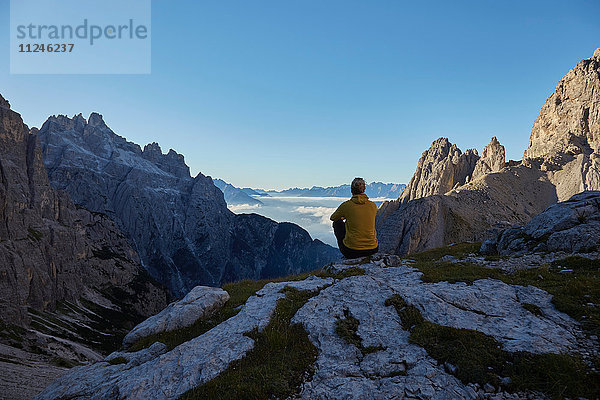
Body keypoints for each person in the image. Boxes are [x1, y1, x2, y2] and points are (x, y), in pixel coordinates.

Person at [330, 177, 378, 258]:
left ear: (351, 190)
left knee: (337, 223)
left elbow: (333, 218)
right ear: (364, 189)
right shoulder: (373, 205)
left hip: (352, 251)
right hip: (373, 249)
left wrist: (344, 216)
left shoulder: (346, 205)